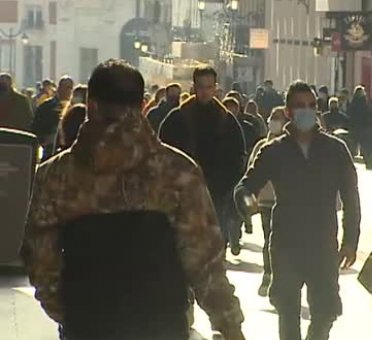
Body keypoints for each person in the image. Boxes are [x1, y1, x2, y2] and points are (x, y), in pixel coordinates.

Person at [21, 59, 245, 340]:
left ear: (91, 105)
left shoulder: (56, 175)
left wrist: (70, 312)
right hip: (161, 325)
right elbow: (205, 260)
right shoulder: (176, 173)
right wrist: (229, 325)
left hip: (89, 324)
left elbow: (40, 258)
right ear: (142, 106)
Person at [234, 80, 361, 340]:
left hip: (323, 243)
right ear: (288, 111)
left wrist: (350, 241)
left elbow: (351, 198)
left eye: (312, 105)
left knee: (326, 311)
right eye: (300, 106)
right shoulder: (274, 150)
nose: (307, 111)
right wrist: (249, 206)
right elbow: (245, 187)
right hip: (286, 243)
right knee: (288, 312)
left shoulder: (335, 150)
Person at [159, 66, 246, 256]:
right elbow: (163, 153)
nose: (205, 91)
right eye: (201, 86)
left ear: (215, 88)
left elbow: (237, 159)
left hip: (215, 196)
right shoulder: (178, 118)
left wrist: (223, 187)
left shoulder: (226, 120)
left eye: (209, 87)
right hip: (182, 196)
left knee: (214, 251)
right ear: (194, 87)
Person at [247, 106, 288, 297]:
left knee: (284, 241)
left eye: (278, 118)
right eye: (272, 117)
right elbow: (250, 173)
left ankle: (282, 276)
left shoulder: (291, 146)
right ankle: (268, 273)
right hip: (266, 201)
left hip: (287, 202)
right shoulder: (262, 146)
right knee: (268, 239)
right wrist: (249, 200)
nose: (274, 121)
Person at [32, 76, 74, 161]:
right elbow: (36, 127)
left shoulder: (74, 108)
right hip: (50, 151)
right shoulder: (46, 107)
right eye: (65, 87)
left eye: (70, 87)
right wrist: (44, 139)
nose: (67, 90)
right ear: (59, 88)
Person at [347, 86, 372, 169]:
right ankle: (369, 164)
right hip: (364, 128)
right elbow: (369, 115)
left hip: (355, 128)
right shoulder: (366, 103)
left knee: (352, 148)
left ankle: (349, 164)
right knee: (366, 147)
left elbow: (349, 115)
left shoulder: (353, 103)